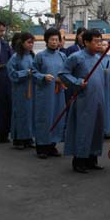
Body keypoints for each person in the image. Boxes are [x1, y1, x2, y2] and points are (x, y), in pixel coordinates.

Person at [59, 29, 106, 173]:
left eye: (100, 41)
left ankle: (92, 159)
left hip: (98, 99)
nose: (99, 44)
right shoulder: (76, 57)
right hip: (84, 99)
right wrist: (77, 82)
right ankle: (79, 160)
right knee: (83, 129)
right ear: (86, 42)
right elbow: (63, 74)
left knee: (97, 129)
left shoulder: (99, 58)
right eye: (96, 41)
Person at [32, 28, 67, 159]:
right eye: (51, 39)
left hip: (59, 93)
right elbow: (33, 72)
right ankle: (41, 147)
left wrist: (63, 79)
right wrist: (43, 76)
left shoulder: (62, 56)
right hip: (45, 93)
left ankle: (52, 145)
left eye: (56, 40)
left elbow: (66, 72)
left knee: (57, 117)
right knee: (44, 117)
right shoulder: (40, 56)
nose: (54, 42)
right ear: (46, 41)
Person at [7, 32, 36, 150]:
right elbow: (11, 73)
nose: (31, 45)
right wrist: (25, 73)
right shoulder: (15, 57)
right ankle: (18, 138)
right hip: (20, 89)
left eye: (32, 43)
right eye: (29, 42)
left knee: (30, 113)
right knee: (20, 113)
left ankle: (28, 137)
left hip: (32, 88)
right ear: (22, 43)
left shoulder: (32, 56)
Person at [101, 39, 110, 138]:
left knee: (109, 109)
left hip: (109, 88)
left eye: (106, 45)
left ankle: (108, 130)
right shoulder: (95, 58)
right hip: (99, 88)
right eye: (103, 45)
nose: (105, 47)